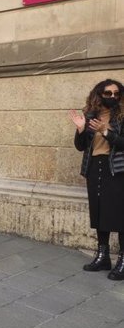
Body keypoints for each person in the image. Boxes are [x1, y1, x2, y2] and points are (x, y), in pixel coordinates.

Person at [70, 79, 124, 280]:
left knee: (119, 215)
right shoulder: (91, 115)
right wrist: (81, 129)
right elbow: (81, 146)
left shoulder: (122, 115)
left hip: (117, 170)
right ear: (99, 94)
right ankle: (103, 257)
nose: (113, 97)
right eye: (108, 93)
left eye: (116, 93)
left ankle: (123, 261)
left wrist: (106, 131)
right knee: (100, 212)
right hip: (95, 168)